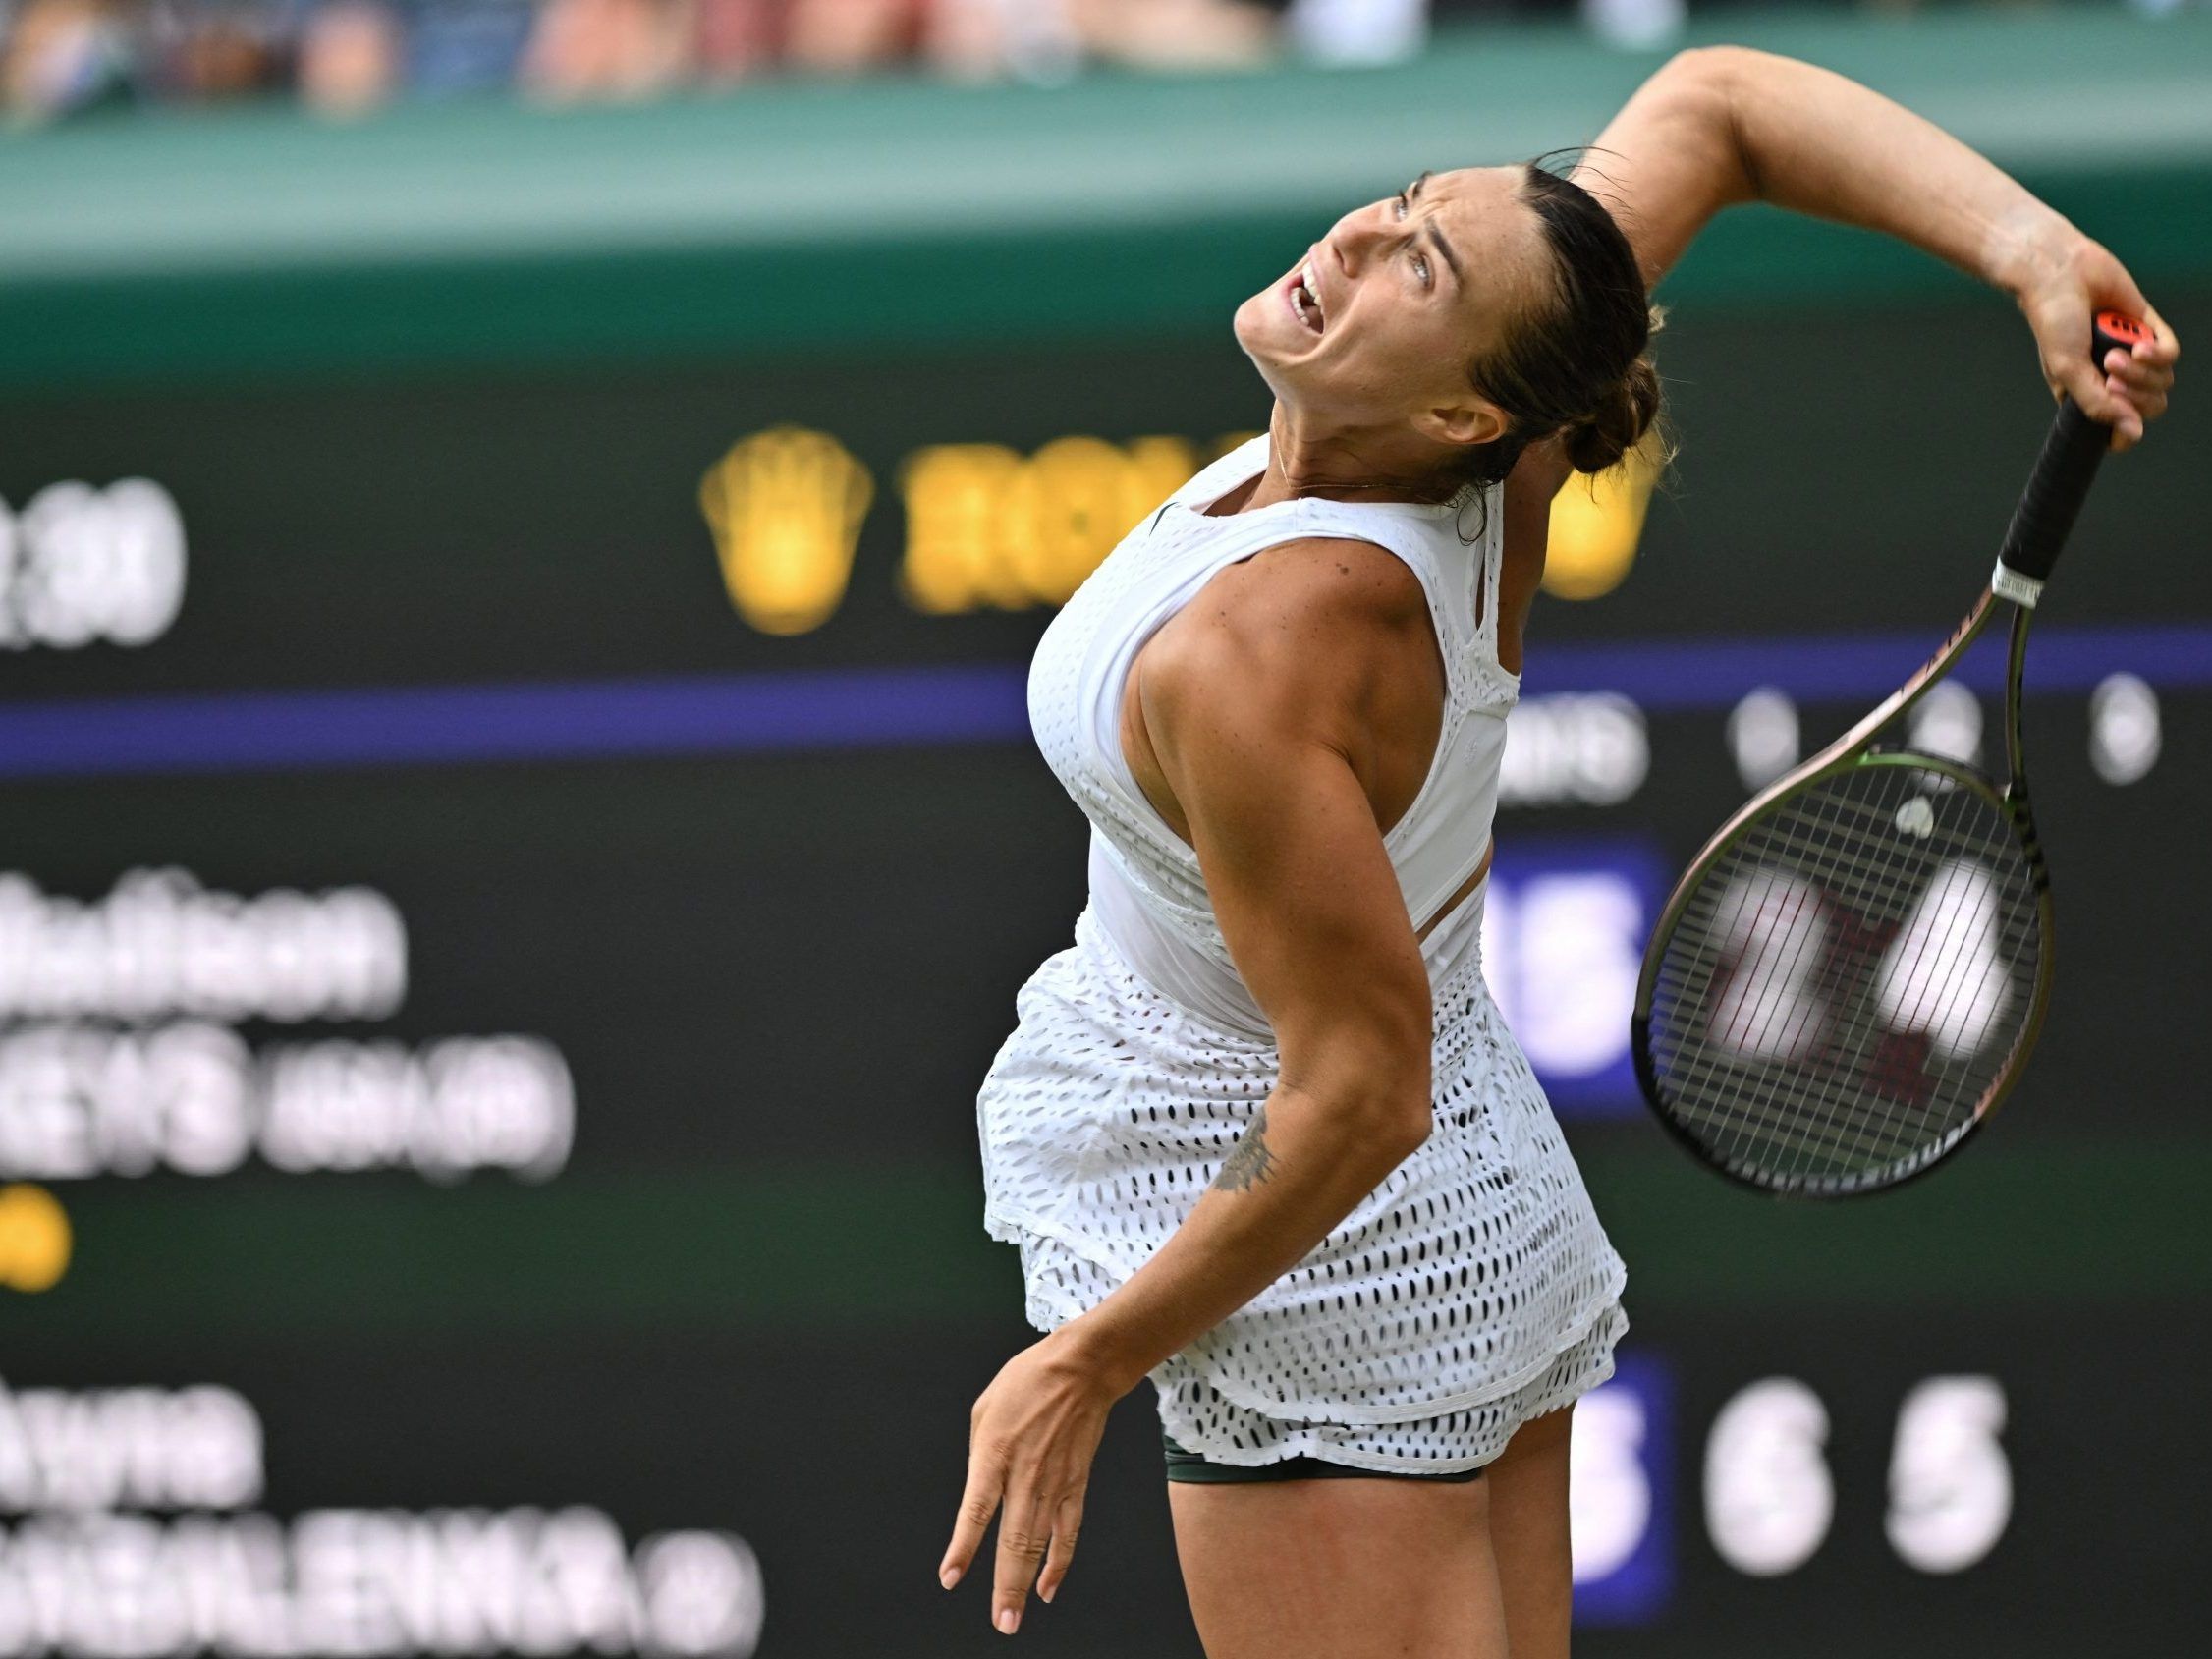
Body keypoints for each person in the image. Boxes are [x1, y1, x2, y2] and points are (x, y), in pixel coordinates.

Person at [943, 44, 2178, 1659]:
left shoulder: (1259, 661)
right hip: (1448, 1198)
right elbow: (1718, 108)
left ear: (1460, 401)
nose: (1359, 246)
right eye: (1396, 211)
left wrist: (1089, 1353)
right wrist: (2030, 251)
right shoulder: (1500, 417)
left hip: (1332, 1282)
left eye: (1420, 265)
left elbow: (1352, 1096)